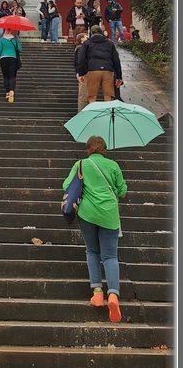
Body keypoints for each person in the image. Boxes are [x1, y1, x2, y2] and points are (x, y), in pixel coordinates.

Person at [62, 136, 127, 323]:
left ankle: (97, 293)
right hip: (109, 216)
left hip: (87, 214)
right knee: (110, 256)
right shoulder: (113, 165)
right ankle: (113, 295)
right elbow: (122, 191)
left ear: (88, 149)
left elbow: (67, 185)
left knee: (92, 251)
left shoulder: (81, 164)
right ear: (104, 149)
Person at [76, 25, 123, 103]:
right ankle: (107, 114)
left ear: (91, 33)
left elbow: (81, 59)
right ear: (101, 32)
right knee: (108, 97)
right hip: (108, 70)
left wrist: (81, 73)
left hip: (92, 70)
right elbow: (116, 60)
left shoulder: (87, 43)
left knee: (92, 97)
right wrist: (119, 76)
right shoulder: (109, 43)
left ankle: (94, 113)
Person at [0, 28, 22, 103]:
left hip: (3, 59)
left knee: (5, 76)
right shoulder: (14, 39)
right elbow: (20, 49)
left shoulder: (2, 39)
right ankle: (12, 90)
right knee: (12, 76)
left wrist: (1, 55)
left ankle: (7, 93)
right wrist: (16, 39)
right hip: (13, 58)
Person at [74, 32, 89, 111]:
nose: (88, 38)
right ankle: (82, 112)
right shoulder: (81, 48)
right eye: (86, 37)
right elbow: (79, 61)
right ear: (81, 39)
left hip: (83, 73)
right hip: (83, 73)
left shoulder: (80, 48)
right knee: (83, 95)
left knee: (84, 94)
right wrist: (79, 73)